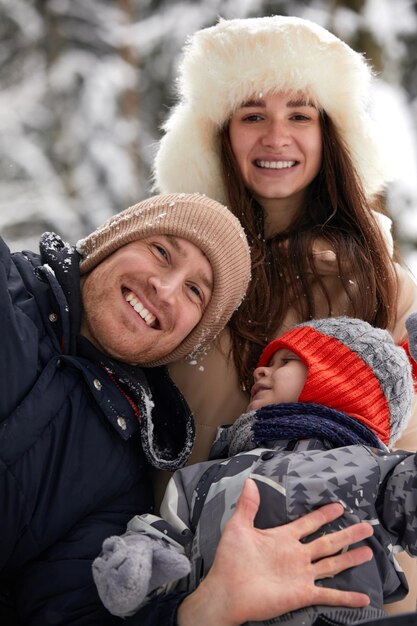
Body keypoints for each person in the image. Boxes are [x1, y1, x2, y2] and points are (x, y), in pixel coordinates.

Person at [151, 15, 417, 612]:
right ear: (218, 134)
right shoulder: (176, 270)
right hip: (199, 579)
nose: (276, 137)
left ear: (332, 134)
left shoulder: (383, 284)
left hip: (346, 588)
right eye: (252, 115)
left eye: (300, 114)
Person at [0, 192, 253, 625]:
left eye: (195, 291)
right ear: (112, 242)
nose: (165, 288)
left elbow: (67, 610)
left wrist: (205, 610)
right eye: (160, 252)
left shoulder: (120, 478)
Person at [93, 315, 417, 626]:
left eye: (286, 361)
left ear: (339, 382)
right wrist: (139, 557)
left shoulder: (368, 466)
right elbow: (166, 535)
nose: (260, 371)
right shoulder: (206, 476)